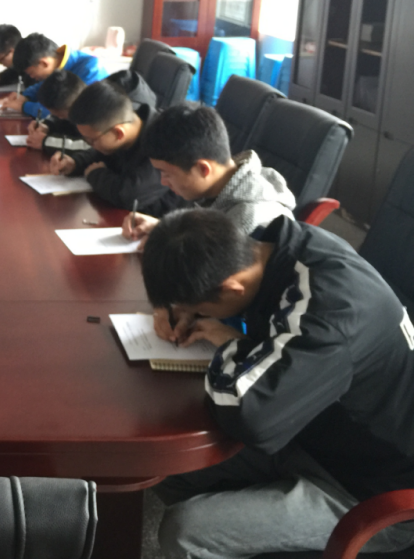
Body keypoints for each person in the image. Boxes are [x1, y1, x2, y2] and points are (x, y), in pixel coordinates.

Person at [141, 209, 414, 558]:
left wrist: (230, 344)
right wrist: (186, 308)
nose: (196, 316)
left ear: (231, 288)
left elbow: (251, 416)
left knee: (185, 532)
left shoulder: (330, 315)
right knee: (165, 465)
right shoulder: (276, 248)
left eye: (200, 308)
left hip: (367, 490)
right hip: (311, 432)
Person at [123, 103, 296, 238]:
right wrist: (161, 228)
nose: (163, 181)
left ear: (203, 169)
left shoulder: (250, 221)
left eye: (167, 173)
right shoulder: (215, 191)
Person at [49, 70, 182, 217]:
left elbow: (130, 196)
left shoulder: (164, 142)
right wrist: (75, 163)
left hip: (163, 222)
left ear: (118, 133)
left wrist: (95, 175)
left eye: (91, 140)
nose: (90, 144)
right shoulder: (128, 127)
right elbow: (101, 155)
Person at [0, 32, 107, 118]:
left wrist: (24, 106)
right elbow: (42, 86)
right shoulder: (56, 67)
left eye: (31, 73)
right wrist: (26, 96)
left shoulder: (90, 70)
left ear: (44, 63)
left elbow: (63, 110)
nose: (31, 77)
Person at [25, 69, 88, 155]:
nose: (59, 117)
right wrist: (47, 125)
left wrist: (46, 141)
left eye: (60, 115)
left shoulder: (97, 112)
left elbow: (90, 146)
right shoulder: (72, 103)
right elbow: (58, 119)